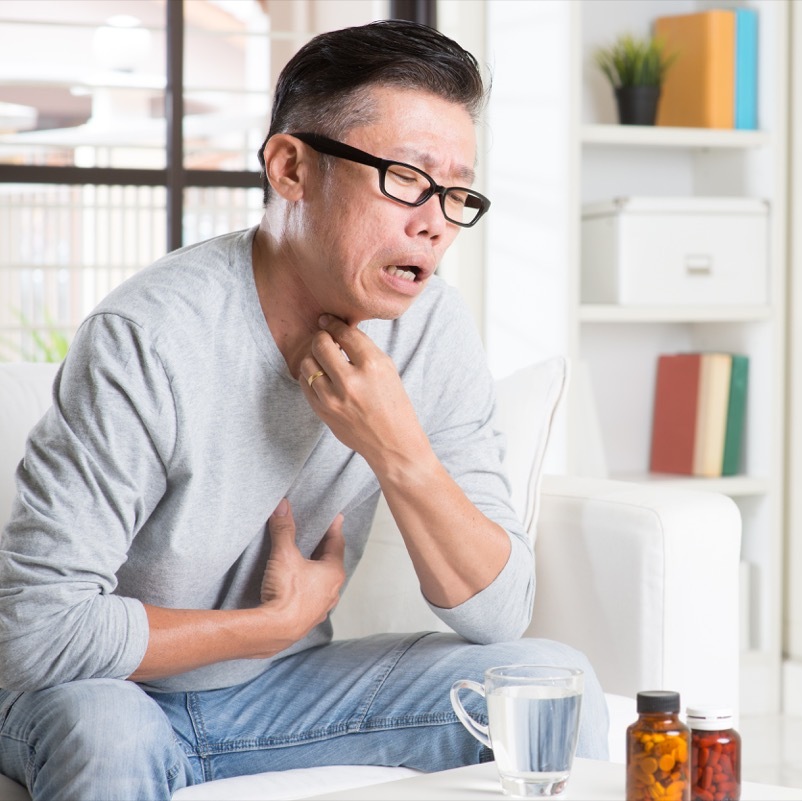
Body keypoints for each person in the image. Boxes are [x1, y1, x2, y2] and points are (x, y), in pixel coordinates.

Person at [0, 19, 607, 800]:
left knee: (550, 679)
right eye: (406, 179)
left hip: (284, 693)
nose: (434, 222)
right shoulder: (148, 336)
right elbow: (35, 630)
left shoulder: (430, 329)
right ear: (290, 167)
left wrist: (397, 448)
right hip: (103, 689)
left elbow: (499, 613)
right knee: (111, 735)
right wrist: (268, 626)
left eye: (456, 193)